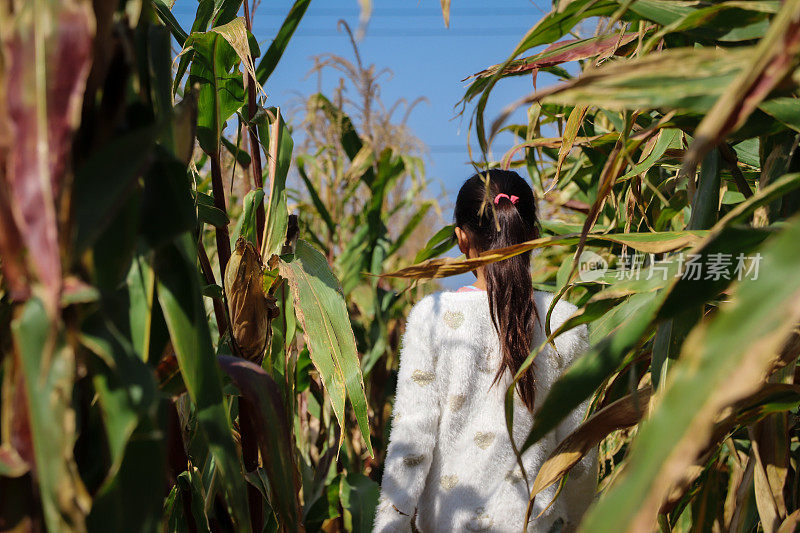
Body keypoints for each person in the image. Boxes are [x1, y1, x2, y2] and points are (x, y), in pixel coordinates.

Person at [373, 169, 597, 532]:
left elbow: (412, 442)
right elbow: (579, 453)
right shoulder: (565, 323)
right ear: (533, 235)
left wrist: (391, 527)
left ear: (461, 239)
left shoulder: (431, 318)